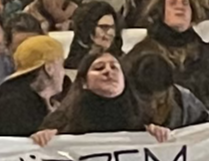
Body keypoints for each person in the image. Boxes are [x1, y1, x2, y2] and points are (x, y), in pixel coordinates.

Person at [33, 52, 173, 145]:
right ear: (84, 83)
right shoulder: (59, 122)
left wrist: (160, 135)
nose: (108, 71)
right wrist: (43, 139)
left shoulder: (144, 119)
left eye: (114, 67)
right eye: (99, 68)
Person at [128, 0, 209, 98]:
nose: (180, 7)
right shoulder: (141, 54)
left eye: (185, 3)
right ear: (159, 11)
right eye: (173, 3)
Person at [0, 35, 68, 137]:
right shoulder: (15, 104)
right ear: (49, 68)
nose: (63, 73)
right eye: (61, 65)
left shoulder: (13, 96)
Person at [127, 51, 209, 129]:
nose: (153, 106)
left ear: (171, 89)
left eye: (161, 100)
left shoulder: (186, 103)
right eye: (145, 100)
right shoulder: (122, 106)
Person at [66, 0, 126, 71]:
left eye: (112, 27)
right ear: (87, 29)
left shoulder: (125, 62)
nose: (110, 32)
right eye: (104, 27)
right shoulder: (72, 65)